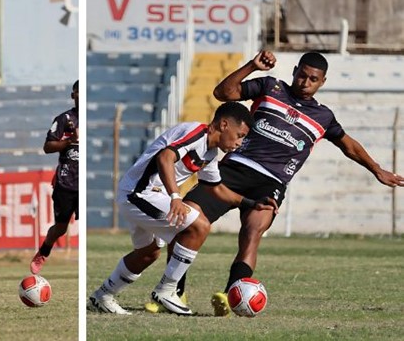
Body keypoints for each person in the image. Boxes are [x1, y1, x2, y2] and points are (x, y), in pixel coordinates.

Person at [179, 50, 404, 317]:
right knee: (187, 219)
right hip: (234, 169)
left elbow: (349, 146)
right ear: (295, 70)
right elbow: (223, 93)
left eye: (313, 79)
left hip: (271, 183)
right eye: (302, 75)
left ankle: (232, 296)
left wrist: (376, 169)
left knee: (251, 235)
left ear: (322, 82)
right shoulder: (270, 87)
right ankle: (174, 291)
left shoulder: (324, 117)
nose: (305, 82)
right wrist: (252, 66)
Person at [87, 103, 277, 315]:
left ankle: (103, 295)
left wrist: (251, 203)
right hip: (139, 192)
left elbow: (216, 188)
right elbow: (165, 157)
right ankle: (167, 290)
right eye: (239, 135)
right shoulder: (196, 133)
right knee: (199, 226)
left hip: (147, 195)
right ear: (224, 125)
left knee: (148, 253)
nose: (240, 143)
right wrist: (176, 197)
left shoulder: (211, 153)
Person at [30, 80, 79, 274]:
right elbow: (48, 146)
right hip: (66, 183)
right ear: (72, 95)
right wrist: (69, 141)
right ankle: (43, 252)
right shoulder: (64, 119)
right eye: (78, 92)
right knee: (60, 228)